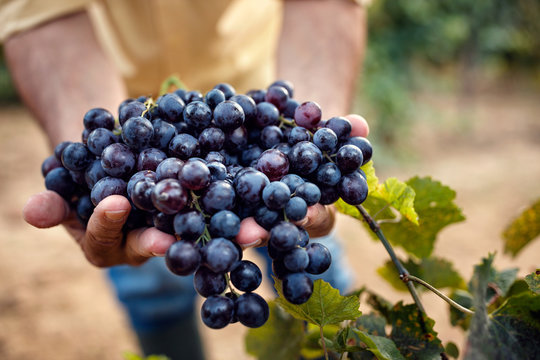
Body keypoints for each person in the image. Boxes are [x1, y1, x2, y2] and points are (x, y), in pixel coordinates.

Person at [2, 0, 369, 359]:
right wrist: (97, 153)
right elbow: (35, 11)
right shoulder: (146, 151)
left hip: (256, 116)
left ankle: (339, 347)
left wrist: (311, 148)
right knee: (150, 282)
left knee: (315, 274)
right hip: (120, 106)